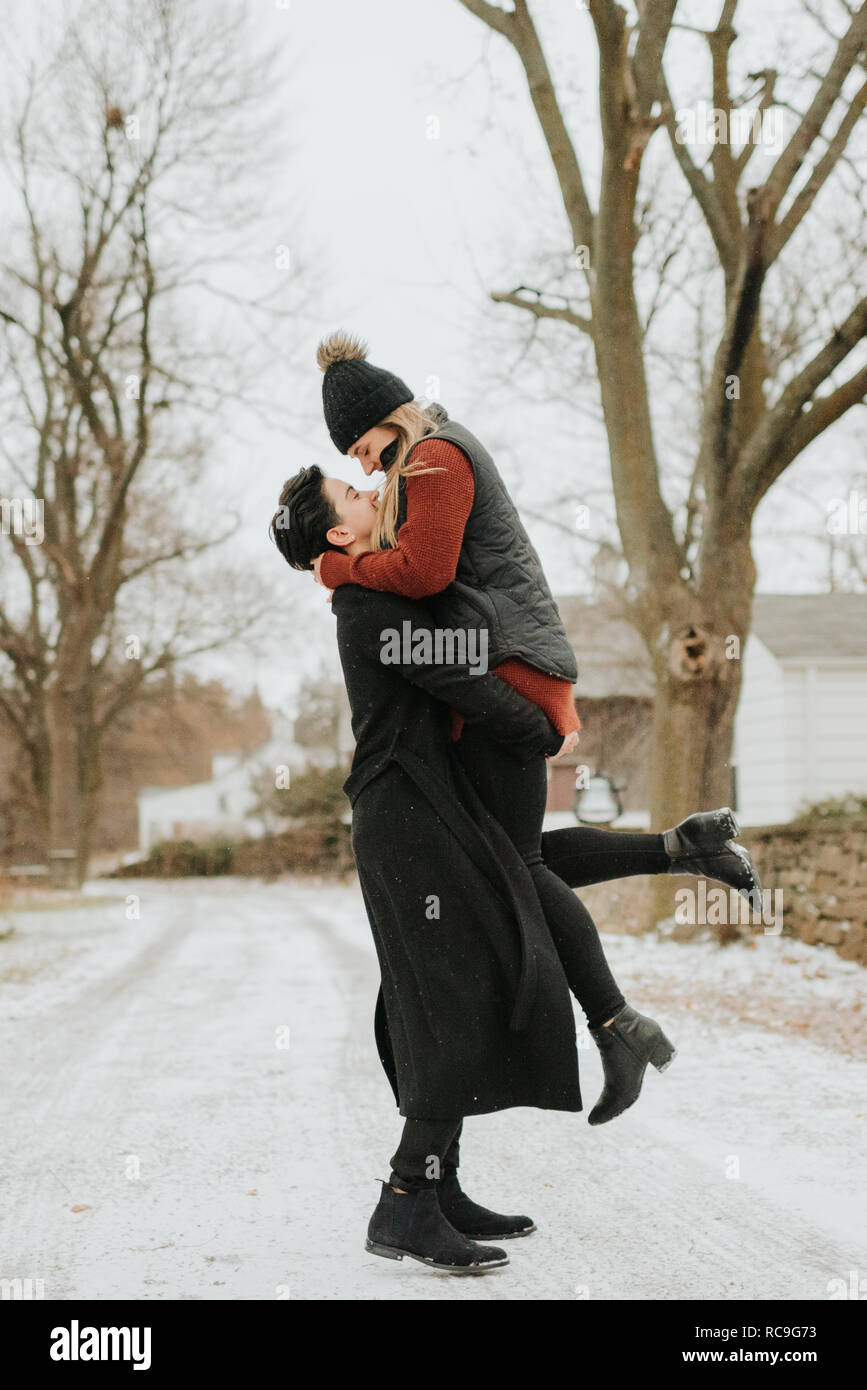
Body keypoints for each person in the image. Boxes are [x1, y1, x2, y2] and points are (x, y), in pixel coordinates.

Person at [269, 466, 742, 1272]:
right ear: (339, 534)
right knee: (448, 1005)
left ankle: (438, 1186)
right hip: (406, 819)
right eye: (352, 494)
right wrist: (544, 728)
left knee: (479, 950)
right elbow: (456, 678)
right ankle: (404, 1206)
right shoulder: (366, 603)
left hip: (429, 805)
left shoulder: (377, 587)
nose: (368, 489)